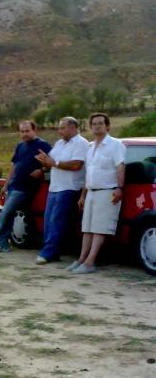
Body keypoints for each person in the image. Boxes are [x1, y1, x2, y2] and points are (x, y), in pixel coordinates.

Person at [69, 113, 126, 274]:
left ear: (107, 126)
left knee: (99, 228)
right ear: (90, 127)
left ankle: (90, 262)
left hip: (107, 191)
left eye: (101, 123)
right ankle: (81, 259)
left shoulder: (115, 145)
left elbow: (120, 167)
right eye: (94, 124)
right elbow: (89, 173)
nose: (97, 126)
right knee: (87, 228)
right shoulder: (90, 147)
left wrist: (119, 188)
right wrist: (83, 195)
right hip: (91, 192)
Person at [0, 120, 51, 253]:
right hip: (14, 185)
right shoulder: (20, 145)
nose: (24, 134)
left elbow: (51, 163)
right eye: (22, 131)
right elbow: (15, 166)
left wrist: (41, 170)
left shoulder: (42, 145)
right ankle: (2, 242)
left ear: (34, 130)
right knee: (9, 214)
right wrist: (6, 184)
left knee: (5, 213)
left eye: (27, 131)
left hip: (26, 187)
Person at [34, 117, 89, 264]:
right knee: (48, 220)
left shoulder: (81, 143)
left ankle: (48, 252)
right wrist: (44, 162)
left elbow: (76, 165)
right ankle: (53, 251)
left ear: (73, 127)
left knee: (57, 221)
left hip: (69, 188)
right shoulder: (59, 143)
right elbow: (50, 162)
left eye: (62, 128)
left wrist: (54, 163)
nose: (59, 131)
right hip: (55, 187)